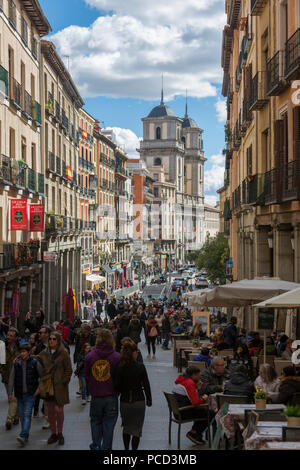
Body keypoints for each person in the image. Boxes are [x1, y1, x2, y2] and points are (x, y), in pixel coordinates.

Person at [84, 329, 120, 451]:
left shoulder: (90, 356)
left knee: (95, 422)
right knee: (109, 425)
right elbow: (118, 377)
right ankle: (106, 448)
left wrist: (91, 389)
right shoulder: (116, 357)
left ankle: (96, 445)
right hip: (111, 395)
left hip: (96, 395)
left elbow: (87, 376)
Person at [114, 341, 152, 450]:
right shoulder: (140, 367)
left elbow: (116, 385)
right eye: (137, 351)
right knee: (136, 429)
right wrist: (149, 399)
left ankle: (126, 449)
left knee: (126, 428)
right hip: (138, 401)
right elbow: (146, 384)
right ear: (133, 353)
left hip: (125, 401)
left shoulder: (120, 367)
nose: (138, 353)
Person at [37, 331, 72, 445]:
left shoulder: (64, 353)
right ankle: (53, 433)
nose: (51, 341)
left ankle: (60, 432)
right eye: (50, 339)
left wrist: (64, 381)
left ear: (58, 340)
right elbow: (33, 358)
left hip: (60, 386)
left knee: (59, 410)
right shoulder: (43, 353)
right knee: (51, 412)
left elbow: (68, 369)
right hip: (48, 386)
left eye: (54, 339)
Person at [8, 342, 43, 447]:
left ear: (28, 352)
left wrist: (39, 389)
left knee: (27, 414)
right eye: (21, 352)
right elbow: (11, 378)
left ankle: (22, 435)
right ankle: (25, 434)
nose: (22, 354)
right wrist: (10, 393)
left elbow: (42, 376)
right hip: (19, 394)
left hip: (30, 394)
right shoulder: (17, 364)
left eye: (24, 352)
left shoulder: (35, 363)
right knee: (22, 416)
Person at [173, 366, 209, 445]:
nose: (199, 377)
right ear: (193, 375)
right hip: (183, 412)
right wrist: (204, 399)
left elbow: (188, 395)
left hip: (177, 411)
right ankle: (194, 433)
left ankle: (195, 432)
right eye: (198, 375)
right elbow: (195, 402)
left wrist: (197, 388)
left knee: (202, 411)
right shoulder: (189, 383)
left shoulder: (181, 380)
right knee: (209, 413)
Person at [1, 328, 20, 430]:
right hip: (7, 377)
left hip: (17, 378)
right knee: (11, 398)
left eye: (11, 336)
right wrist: (3, 373)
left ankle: (9, 419)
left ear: (16, 337)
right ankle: (16, 416)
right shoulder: (3, 348)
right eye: (8, 335)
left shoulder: (20, 348)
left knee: (14, 398)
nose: (8, 337)